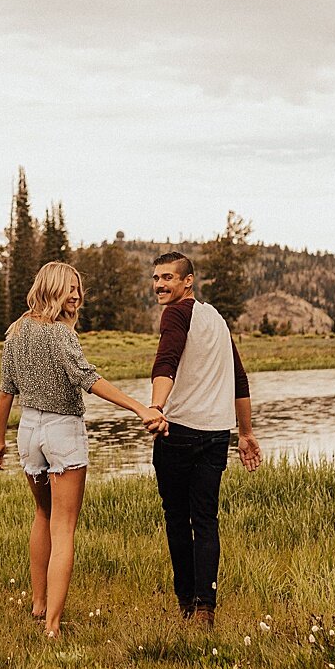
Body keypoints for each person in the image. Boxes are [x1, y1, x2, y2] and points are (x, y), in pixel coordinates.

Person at [0, 261, 167, 638]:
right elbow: (88, 379)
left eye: (78, 289)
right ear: (52, 288)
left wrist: (0, 440)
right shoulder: (59, 334)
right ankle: (53, 625)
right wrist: (140, 408)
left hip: (28, 432)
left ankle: (40, 606)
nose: (76, 295)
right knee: (64, 526)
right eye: (70, 288)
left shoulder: (16, 331)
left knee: (42, 513)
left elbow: (7, 390)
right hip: (61, 431)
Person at [147, 251, 262, 625]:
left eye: (168, 277)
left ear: (187, 282)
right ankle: (205, 608)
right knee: (206, 519)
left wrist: (156, 407)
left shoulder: (176, 314)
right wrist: (244, 433)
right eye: (156, 278)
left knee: (178, 519)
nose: (160, 285)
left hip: (179, 430)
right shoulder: (215, 318)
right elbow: (239, 379)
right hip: (216, 434)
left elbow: (167, 359)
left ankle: (186, 604)